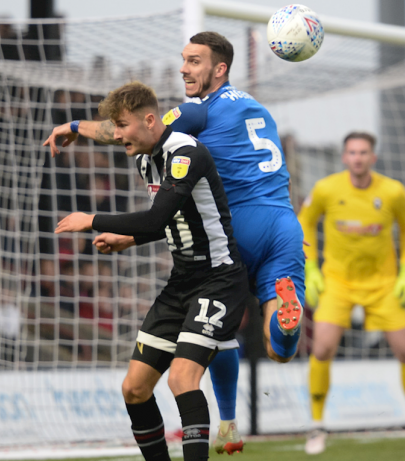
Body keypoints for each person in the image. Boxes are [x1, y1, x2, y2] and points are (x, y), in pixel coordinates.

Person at [43, 31, 306, 454]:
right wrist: (131, 237)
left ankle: (228, 422)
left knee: (208, 337)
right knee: (276, 349)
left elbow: (126, 129)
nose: (184, 68)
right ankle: (280, 338)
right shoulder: (259, 111)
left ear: (219, 69)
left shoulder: (196, 114)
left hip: (236, 228)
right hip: (283, 222)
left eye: (194, 61)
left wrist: (75, 126)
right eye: (184, 59)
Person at [52, 82, 248, 461]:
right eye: (116, 128)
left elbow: (157, 215)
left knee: (181, 378)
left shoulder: (185, 153)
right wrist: (74, 126)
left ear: (149, 120)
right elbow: (164, 223)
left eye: (124, 126)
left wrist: (91, 219)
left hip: (219, 279)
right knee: (135, 389)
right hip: (182, 282)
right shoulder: (145, 155)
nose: (119, 135)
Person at [297, 132, 405, 454]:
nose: (357, 158)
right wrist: (310, 270)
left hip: (383, 285)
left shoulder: (392, 191)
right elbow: (304, 223)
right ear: (344, 157)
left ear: (373, 158)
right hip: (338, 283)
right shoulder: (326, 189)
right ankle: (317, 426)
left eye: (363, 152)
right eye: (352, 152)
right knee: (322, 349)